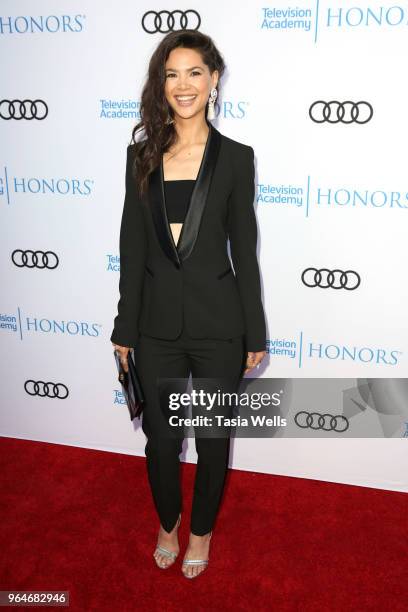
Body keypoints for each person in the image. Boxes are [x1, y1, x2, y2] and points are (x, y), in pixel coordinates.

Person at [110, 29, 266, 579]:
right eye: (172, 74)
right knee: (161, 440)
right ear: (162, 84)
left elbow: (244, 250)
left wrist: (255, 333)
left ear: (214, 80)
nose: (184, 85)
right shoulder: (140, 157)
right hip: (154, 329)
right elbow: (131, 249)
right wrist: (124, 326)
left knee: (213, 436)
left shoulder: (236, 159)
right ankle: (168, 523)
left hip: (220, 325)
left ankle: (200, 532)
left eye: (195, 73)